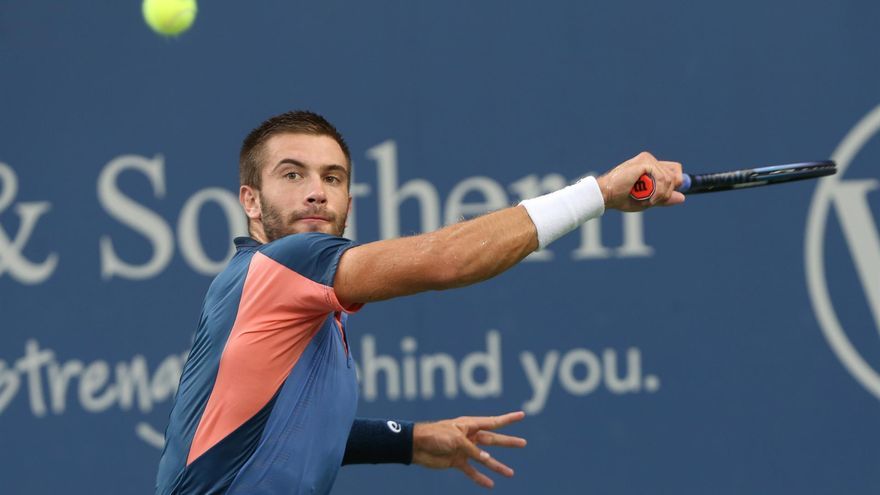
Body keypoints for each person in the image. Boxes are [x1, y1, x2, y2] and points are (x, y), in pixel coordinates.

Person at [156, 110, 684, 495]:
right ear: (250, 200)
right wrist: (598, 194)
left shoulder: (303, 302)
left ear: (348, 201)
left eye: (332, 178)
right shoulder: (284, 265)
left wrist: (408, 441)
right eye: (292, 175)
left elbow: (279, 434)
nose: (316, 192)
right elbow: (446, 260)